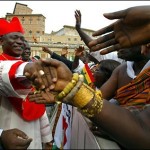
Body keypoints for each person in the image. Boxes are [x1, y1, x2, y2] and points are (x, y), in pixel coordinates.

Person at [0, 17, 53, 149]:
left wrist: (47, 138)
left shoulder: (29, 66)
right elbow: (8, 71)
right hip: (8, 133)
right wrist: (27, 69)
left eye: (22, 39)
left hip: (35, 132)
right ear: (1, 41)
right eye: (14, 37)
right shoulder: (10, 65)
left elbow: (39, 105)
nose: (19, 42)